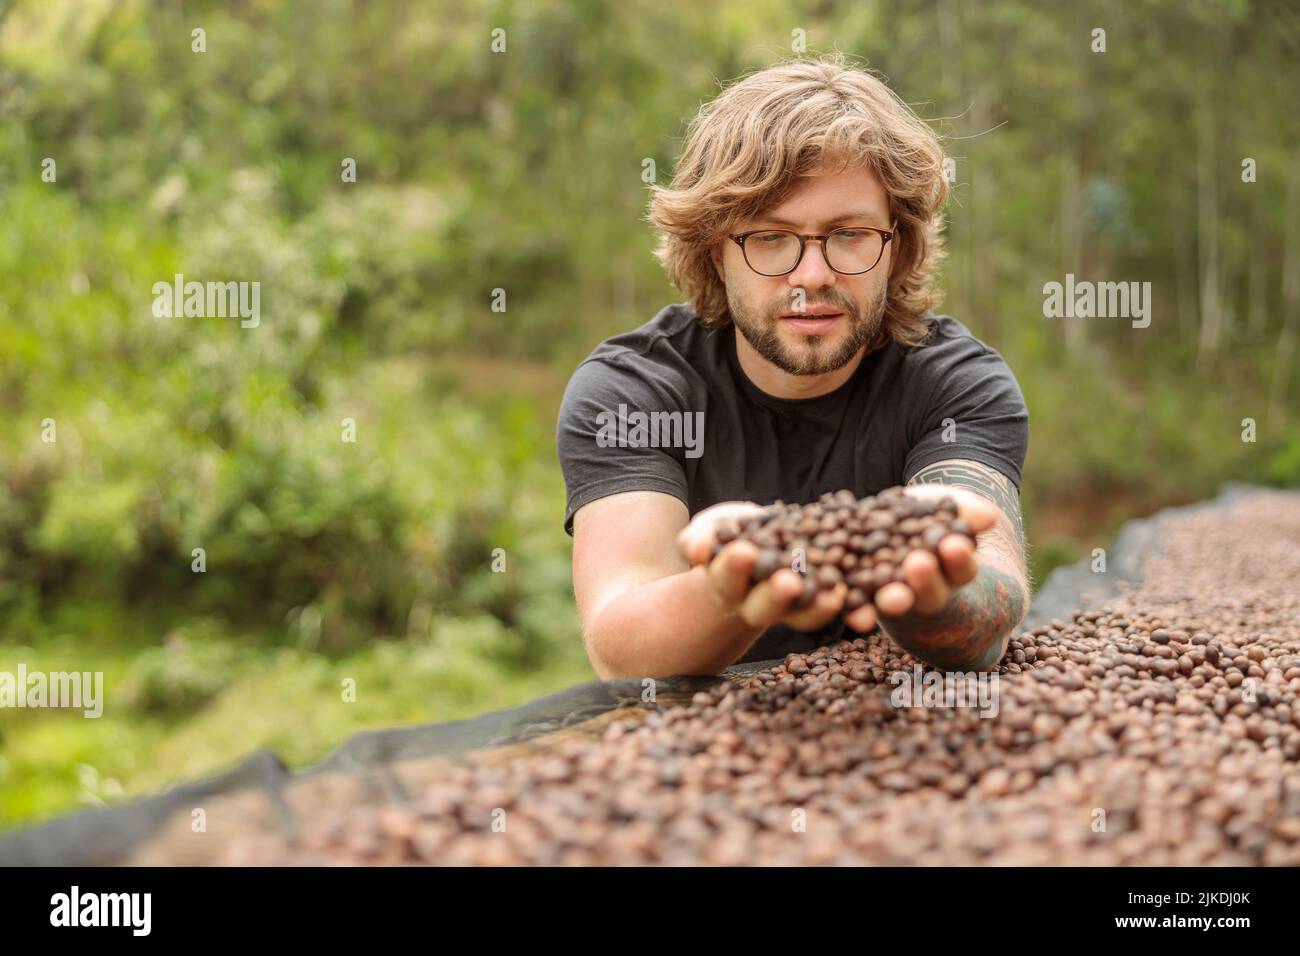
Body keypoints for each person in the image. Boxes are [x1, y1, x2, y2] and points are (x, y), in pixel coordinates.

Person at [557, 55, 1030, 679]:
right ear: (713, 251)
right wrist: (734, 586)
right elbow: (621, 646)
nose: (812, 276)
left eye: (850, 233)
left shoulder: (956, 385)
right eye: (770, 237)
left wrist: (929, 583)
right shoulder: (632, 394)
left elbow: (993, 589)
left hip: (915, 739)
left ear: (899, 244)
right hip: (696, 756)